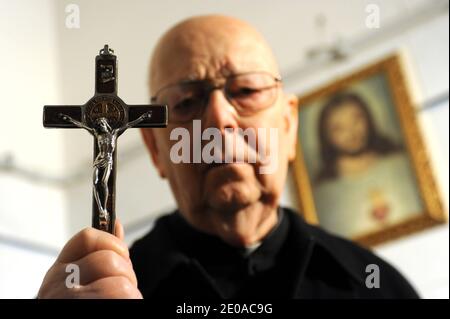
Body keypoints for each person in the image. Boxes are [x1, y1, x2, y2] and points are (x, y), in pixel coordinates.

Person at [37, 15, 419, 299]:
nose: (219, 120)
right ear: (156, 150)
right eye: (187, 101)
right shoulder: (103, 288)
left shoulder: (378, 286)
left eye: (247, 91)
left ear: (288, 127)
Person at [312, 92, 423, 238]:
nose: (352, 132)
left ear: (368, 118)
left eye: (356, 119)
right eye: (338, 128)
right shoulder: (323, 191)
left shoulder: (400, 163)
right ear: (326, 136)